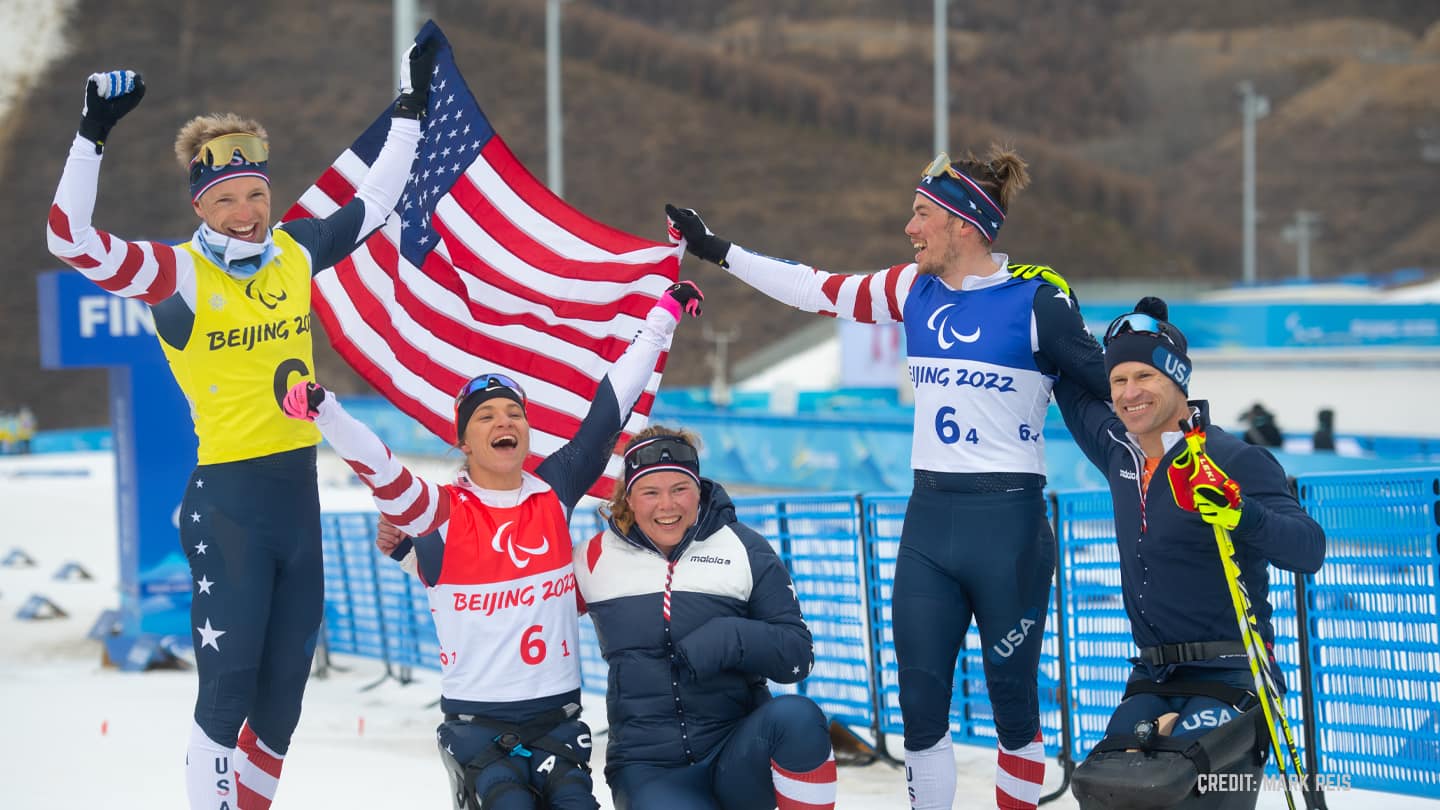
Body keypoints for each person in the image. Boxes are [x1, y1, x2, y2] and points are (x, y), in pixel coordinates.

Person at [45, 45, 435, 809]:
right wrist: (90, 134)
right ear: (199, 206)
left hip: (298, 500)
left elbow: (377, 200)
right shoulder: (178, 275)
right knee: (227, 697)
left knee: (283, 707)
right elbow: (69, 238)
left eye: (256, 195)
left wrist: (411, 111)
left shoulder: (291, 251)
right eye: (227, 200)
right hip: (228, 504)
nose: (246, 212)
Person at [667, 145, 1110, 810]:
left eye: (921, 215)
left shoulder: (1038, 301)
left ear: (964, 225)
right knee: (920, 705)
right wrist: (717, 249)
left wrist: (1181, 420)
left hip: (1009, 528)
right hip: (929, 524)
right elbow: (815, 288)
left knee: (1013, 707)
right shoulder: (913, 288)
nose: (910, 229)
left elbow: (1110, 386)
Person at [332, 281, 703, 809]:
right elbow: (384, 474)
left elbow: (608, 412)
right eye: (486, 416)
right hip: (478, 726)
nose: (504, 421)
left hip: (556, 719)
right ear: (463, 440)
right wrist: (324, 411)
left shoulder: (553, 492)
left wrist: (662, 320)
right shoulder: (439, 510)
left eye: (514, 414)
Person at [1053, 297, 1325, 809]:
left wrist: (1241, 513)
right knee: (1104, 790)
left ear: (1178, 381)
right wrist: (1048, 304)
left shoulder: (1232, 458)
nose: (1130, 393)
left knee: (1168, 789)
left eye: (1145, 377)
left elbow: (1308, 549)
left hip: (1231, 672)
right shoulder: (1118, 451)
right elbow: (1067, 377)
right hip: (1152, 676)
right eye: (1118, 381)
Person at [575, 425, 837, 810]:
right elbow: (530, 618)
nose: (667, 505)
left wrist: (728, 638)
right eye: (650, 492)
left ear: (699, 489)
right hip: (650, 767)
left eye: (680, 489)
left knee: (799, 718)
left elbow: (798, 654)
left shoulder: (742, 547)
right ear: (628, 498)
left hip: (737, 751)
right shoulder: (592, 557)